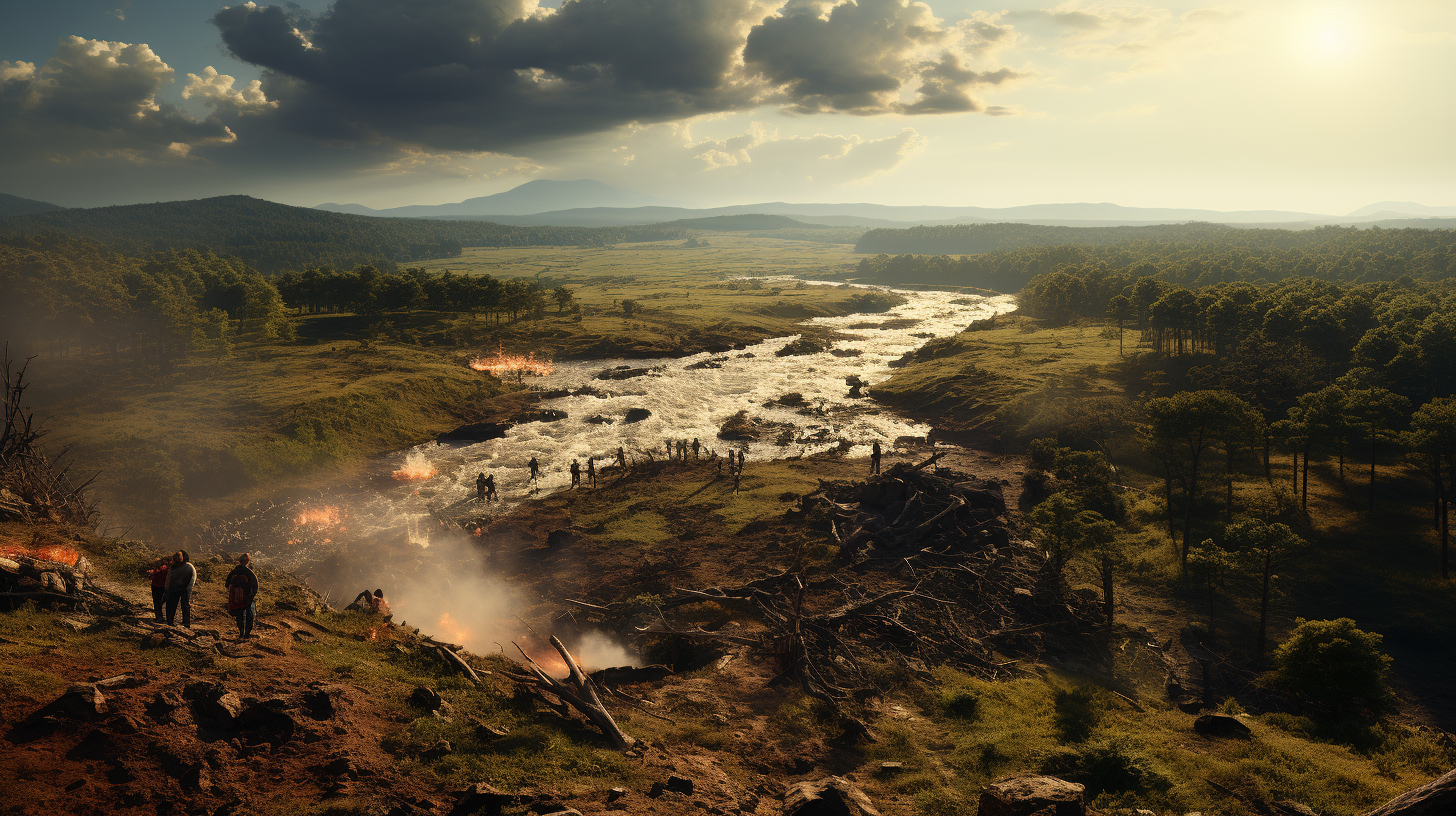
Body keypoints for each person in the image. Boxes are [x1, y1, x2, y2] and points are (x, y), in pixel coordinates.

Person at [225, 553, 259, 639]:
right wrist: (251, 596)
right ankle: (246, 633)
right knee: (249, 614)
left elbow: (226, 584)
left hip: (236, 598)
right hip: (247, 597)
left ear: (239, 560)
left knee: (239, 615)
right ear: (248, 561)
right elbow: (255, 587)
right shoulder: (249, 573)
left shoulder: (234, 571)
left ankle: (241, 632)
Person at [164, 550, 196, 628]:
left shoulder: (188, 566)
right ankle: (170, 621)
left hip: (184, 588)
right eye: (176, 555)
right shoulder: (174, 566)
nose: (176, 556)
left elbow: (189, 578)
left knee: (184, 605)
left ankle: (186, 623)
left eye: (178, 555)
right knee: (171, 604)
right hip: (174, 588)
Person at [143, 557, 170, 622]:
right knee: (161, 602)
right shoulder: (166, 568)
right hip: (163, 587)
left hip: (156, 586)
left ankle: (159, 617)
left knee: (157, 602)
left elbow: (152, 574)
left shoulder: (158, 569)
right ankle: (162, 617)